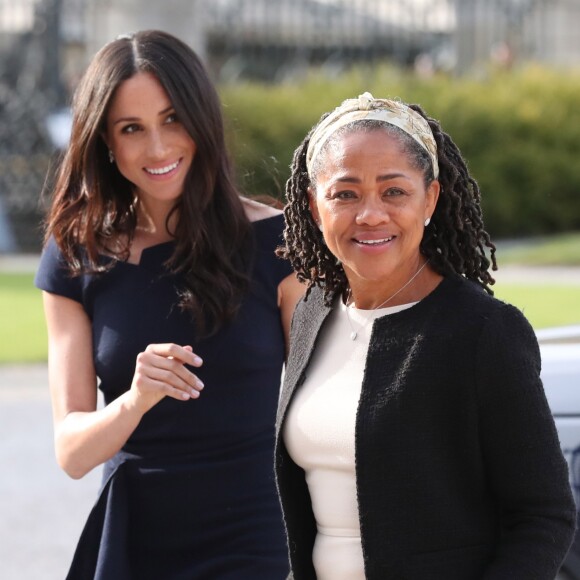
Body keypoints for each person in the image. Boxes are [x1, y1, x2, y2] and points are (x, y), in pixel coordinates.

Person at [34, 29, 304, 579]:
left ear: (202, 120)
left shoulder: (280, 243)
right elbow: (72, 452)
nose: (158, 148)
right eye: (132, 129)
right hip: (135, 541)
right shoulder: (76, 258)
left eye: (173, 118)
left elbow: (328, 407)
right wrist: (135, 401)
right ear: (106, 143)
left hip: (255, 536)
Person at [274, 92, 576, 579]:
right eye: (345, 194)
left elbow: (544, 516)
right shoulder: (312, 312)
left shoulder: (481, 332)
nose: (370, 214)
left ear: (430, 198)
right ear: (315, 206)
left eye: (394, 191)